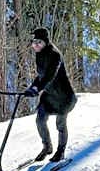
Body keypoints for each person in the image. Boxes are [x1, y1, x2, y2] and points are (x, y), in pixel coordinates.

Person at [24, 27, 77, 162]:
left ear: (46, 42)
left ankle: (61, 151)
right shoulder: (39, 54)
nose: (36, 45)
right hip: (49, 95)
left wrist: (38, 89)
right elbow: (41, 75)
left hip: (63, 96)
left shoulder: (55, 55)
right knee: (40, 120)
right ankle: (47, 147)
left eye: (39, 42)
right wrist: (33, 87)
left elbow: (50, 76)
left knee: (60, 124)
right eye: (34, 42)